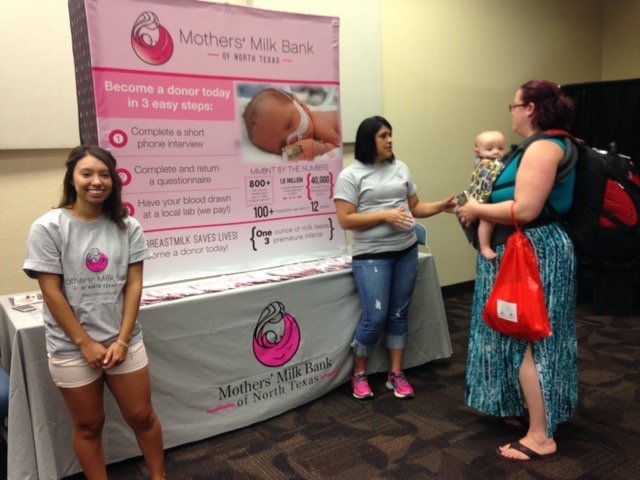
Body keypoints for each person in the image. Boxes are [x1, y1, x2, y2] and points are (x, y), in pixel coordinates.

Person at [23, 146, 166, 479]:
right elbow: (51, 292)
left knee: (142, 416)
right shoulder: (48, 228)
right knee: (88, 426)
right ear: (72, 178)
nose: (96, 181)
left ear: (114, 180)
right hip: (72, 346)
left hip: (123, 341)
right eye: (87, 173)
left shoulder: (128, 227)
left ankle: (160, 476)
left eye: (104, 174)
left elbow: (133, 286)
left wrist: (123, 339)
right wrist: (84, 343)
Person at [456, 80, 578, 461]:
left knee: (534, 337)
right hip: (521, 251)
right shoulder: (533, 147)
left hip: (534, 250)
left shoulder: (543, 147)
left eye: (513, 105)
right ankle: (534, 412)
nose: (510, 111)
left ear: (530, 109)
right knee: (518, 334)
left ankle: (541, 436)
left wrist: (476, 211)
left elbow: (524, 209)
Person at [334, 115, 456, 400]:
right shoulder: (351, 175)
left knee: (399, 314)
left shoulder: (401, 168)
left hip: (406, 251)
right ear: (369, 140)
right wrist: (385, 215)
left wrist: (441, 206)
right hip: (372, 258)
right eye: (383, 136)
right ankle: (359, 374)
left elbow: (415, 207)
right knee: (375, 317)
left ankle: (396, 374)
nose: (390, 141)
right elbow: (346, 220)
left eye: (391, 135)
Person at [242, 87, 341, 161]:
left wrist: (321, 149)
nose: (292, 139)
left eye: (290, 123)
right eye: (283, 144)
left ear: (301, 105)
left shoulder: (321, 123)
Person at [464, 130, 507, 260]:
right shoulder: (488, 164)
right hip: (481, 201)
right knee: (488, 219)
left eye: (500, 148)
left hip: (475, 196)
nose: (496, 152)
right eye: (489, 149)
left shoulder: (479, 161)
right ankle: (485, 247)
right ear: (477, 152)